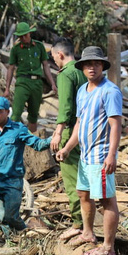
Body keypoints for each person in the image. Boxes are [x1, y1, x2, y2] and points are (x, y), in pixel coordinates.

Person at [55, 46, 122, 255]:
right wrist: (67, 148)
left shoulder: (110, 91)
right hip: (85, 154)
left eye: (96, 64)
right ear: (82, 67)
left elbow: (115, 125)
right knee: (83, 193)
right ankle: (87, 232)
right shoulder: (83, 90)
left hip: (100, 155)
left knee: (106, 199)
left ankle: (108, 247)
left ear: (102, 66)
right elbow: (79, 124)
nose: (92, 68)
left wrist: (111, 154)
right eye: (88, 64)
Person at [0, 97, 51, 238]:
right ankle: (11, 241)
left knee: (11, 216)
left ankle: (24, 232)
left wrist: (55, 138)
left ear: (7, 112)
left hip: (13, 181)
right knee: (2, 217)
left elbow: (37, 144)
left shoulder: (18, 129)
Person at [49, 38, 87, 240]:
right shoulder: (84, 71)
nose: (54, 60)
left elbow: (65, 107)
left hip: (71, 130)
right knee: (84, 177)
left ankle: (78, 223)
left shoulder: (66, 74)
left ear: (60, 55)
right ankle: (87, 221)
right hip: (86, 133)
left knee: (72, 180)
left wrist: (58, 131)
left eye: (54, 56)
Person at [4, 22, 57, 133]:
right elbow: (10, 68)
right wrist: (7, 89)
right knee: (16, 113)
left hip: (37, 83)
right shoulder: (15, 49)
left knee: (33, 116)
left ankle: (31, 142)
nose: (23, 38)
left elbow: (46, 66)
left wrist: (52, 83)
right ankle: (13, 141)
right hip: (22, 82)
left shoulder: (39, 46)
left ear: (29, 34)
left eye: (25, 35)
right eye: (21, 36)